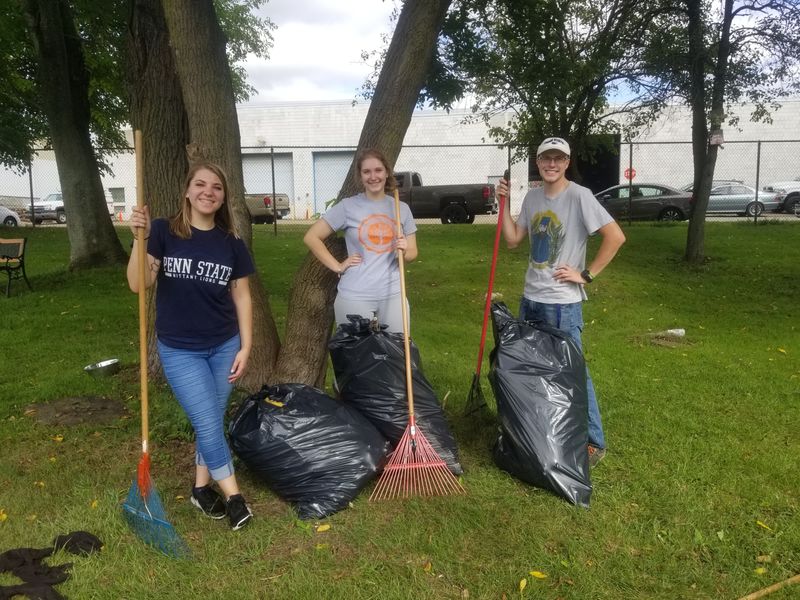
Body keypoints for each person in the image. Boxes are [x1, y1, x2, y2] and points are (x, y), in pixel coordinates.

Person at [127, 161, 255, 530]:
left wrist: (246, 345)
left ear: (223, 197)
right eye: (200, 184)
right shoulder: (164, 231)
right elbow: (139, 285)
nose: (208, 192)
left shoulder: (231, 243)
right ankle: (234, 496)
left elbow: (243, 297)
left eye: (216, 187)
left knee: (210, 420)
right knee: (208, 420)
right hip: (180, 349)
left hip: (225, 345)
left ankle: (200, 489)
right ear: (187, 190)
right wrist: (139, 240)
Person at [499, 137, 626, 467]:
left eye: (558, 159)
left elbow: (616, 236)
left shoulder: (579, 197)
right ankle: (545, 430)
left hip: (562, 304)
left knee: (572, 371)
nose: (551, 164)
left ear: (567, 162)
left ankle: (593, 440)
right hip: (531, 298)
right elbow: (513, 241)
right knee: (536, 369)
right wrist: (503, 204)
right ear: (538, 162)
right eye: (546, 159)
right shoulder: (532, 197)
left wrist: (586, 274)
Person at [303, 148, 418, 332]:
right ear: (360, 175)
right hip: (355, 295)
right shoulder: (348, 207)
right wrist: (338, 266)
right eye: (367, 171)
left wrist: (405, 250)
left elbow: (412, 253)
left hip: (394, 294)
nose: (373, 176)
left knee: (396, 356)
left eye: (378, 170)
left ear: (387, 172)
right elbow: (311, 237)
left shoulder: (401, 208)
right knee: (355, 357)